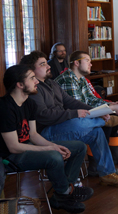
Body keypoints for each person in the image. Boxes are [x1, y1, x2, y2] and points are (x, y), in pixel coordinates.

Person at [19, 51, 118, 188]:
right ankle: (103, 121)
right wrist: (75, 114)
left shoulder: (52, 84)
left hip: (62, 126)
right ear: (32, 71)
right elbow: (44, 115)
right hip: (45, 133)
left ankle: (107, 173)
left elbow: (71, 102)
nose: (48, 66)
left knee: (96, 133)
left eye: (46, 62)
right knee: (78, 121)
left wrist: (97, 112)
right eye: (42, 64)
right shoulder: (34, 90)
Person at [0, 65, 93, 212]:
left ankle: (63, 193)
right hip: (11, 156)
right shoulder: (5, 107)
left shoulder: (29, 103)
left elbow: (33, 135)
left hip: (27, 145)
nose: (37, 81)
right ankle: (65, 194)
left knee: (79, 147)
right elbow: (14, 147)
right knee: (54, 157)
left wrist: (53, 146)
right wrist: (50, 148)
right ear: (20, 84)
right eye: (32, 78)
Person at [54, 50, 118, 166]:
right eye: (87, 61)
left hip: (83, 116)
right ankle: (95, 164)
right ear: (76, 63)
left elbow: (91, 99)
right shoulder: (67, 79)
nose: (91, 64)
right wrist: (108, 109)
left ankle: (116, 155)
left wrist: (111, 105)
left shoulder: (81, 79)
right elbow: (77, 105)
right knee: (107, 121)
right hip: (69, 121)